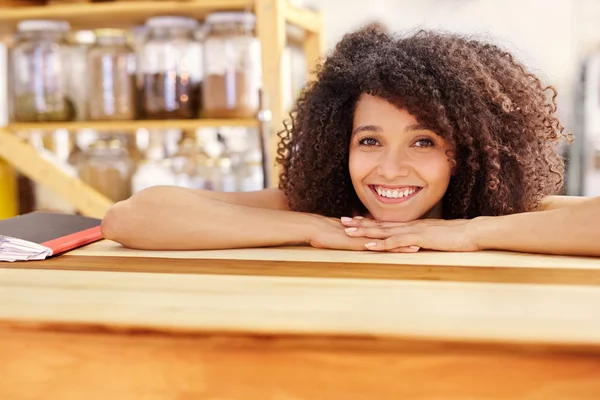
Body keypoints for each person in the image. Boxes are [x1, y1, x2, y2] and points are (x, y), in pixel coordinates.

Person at [101, 25, 600, 257]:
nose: (389, 169)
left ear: (464, 150)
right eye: (369, 141)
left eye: (423, 142)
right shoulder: (326, 208)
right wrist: (314, 228)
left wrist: (470, 233)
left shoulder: (500, 212)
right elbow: (129, 217)